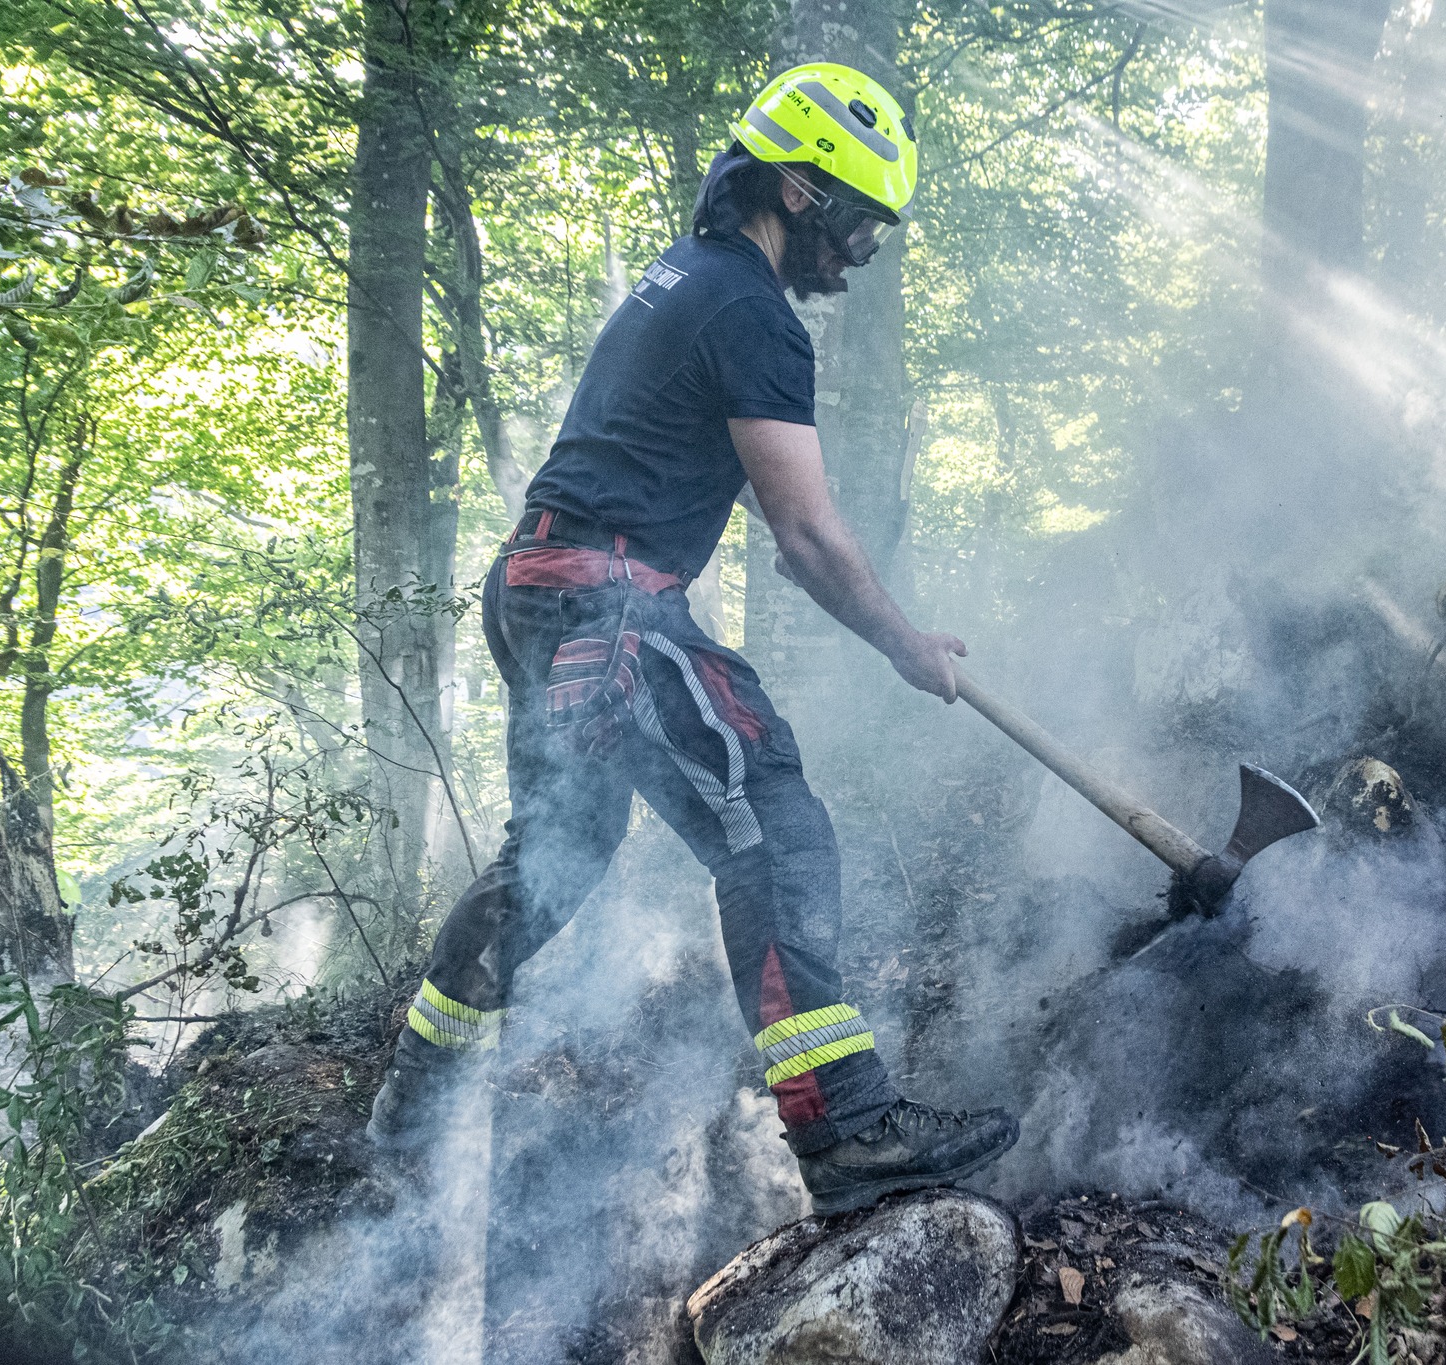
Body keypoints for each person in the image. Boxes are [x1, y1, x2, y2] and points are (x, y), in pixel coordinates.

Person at [364, 63, 1018, 1214]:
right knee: (771, 820)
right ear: (801, 192)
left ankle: (410, 1107)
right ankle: (848, 1127)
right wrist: (906, 643)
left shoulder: (688, 279)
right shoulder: (750, 311)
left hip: (535, 585)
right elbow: (806, 537)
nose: (861, 255)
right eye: (860, 222)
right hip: (604, 601)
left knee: (557, 852)